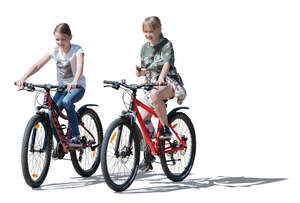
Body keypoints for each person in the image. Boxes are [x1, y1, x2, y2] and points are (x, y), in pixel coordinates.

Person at [16, 23, 86, 158]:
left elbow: (80, 67)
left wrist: (75, 81)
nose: (60, 42)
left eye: (63, 39)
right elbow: (37, 65)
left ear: (70, 37)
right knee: (50, 114)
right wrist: (23, 78)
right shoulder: (54, 51)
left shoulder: (78, 50)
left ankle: (76, 137)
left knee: (66, 101)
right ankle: (61, 143)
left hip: (77, 88)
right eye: (57, 39)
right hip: (61, 89)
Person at [136, 16, 186, 172]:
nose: (148, 35)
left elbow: (166, 63)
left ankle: (165, 129)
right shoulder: (144, 47)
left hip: (168, 82)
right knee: (143, 120)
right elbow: (147, 69)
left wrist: (162, 77)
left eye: (151, 31)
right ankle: (149, 156)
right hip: (151, 84)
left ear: (159, 29)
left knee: (156, 95)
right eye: (145, 32)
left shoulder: (166, 44)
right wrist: (140, 72)